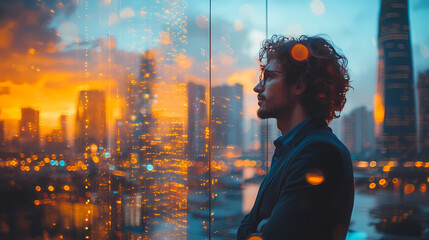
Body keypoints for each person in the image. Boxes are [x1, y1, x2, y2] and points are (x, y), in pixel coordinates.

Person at [237, 35, 354, 240]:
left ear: (299, 86)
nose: (257, 88)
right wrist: (261, 225)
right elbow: (249, 224)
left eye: (269, 77)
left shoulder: (318, 151)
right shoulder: (291, 148)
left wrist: (260, 227)